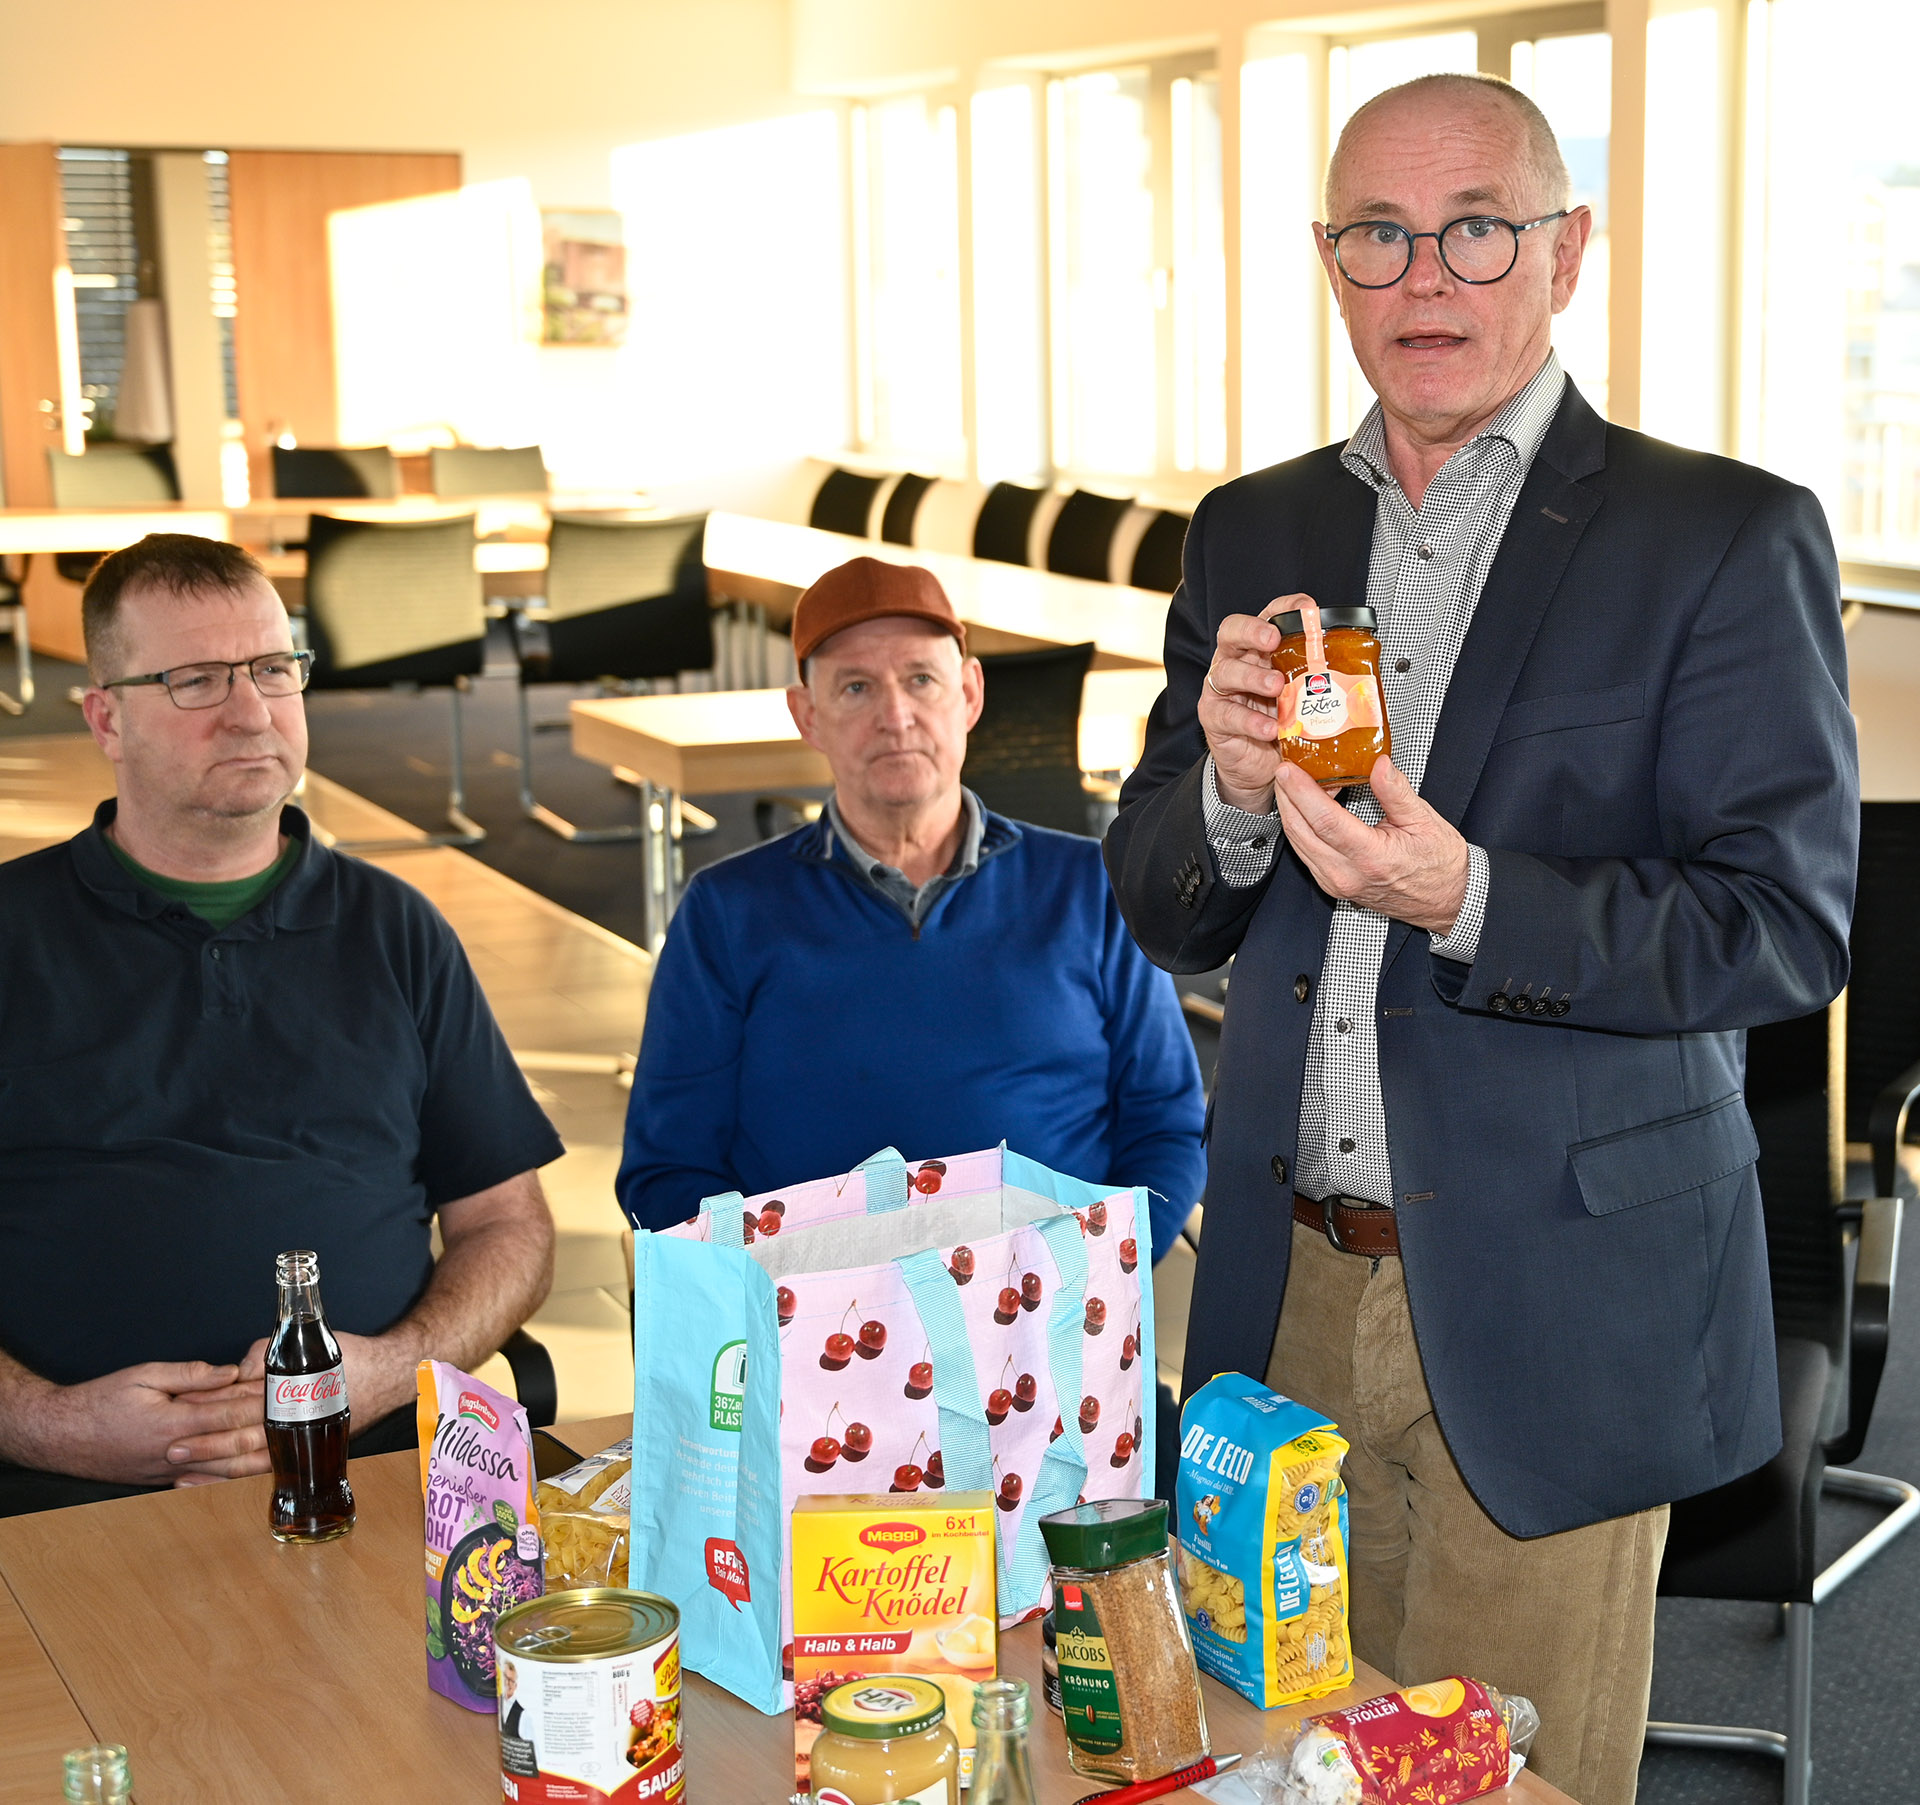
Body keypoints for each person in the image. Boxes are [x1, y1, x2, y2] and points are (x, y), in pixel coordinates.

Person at [1103, 73, 1856, 1805]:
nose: (1424, 277)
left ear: (1565, 252)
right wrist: (1220, 794)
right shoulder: (1253, 530)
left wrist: (1476, 898)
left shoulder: (1722, 538)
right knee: (1280, 1762)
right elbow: (1158, 898)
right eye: (1377, 234)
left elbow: (1785, 928)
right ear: (1329, 261)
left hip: (1558, 1290)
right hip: (1282, 1290)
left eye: (1476, 230)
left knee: (1499, 1781)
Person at [0, 534, 561, 1514]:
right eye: (195, 680)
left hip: (370, 1467)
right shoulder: (13, 932)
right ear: (106, 718)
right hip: (54, 1496)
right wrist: (47, 1421)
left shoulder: (396, 929)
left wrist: (393, 1370)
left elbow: (507, 1224)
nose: (251, 711)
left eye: (271, 668)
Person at [618, 555, 1205, 1272]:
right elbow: (665, 1171)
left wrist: (1092, 1272)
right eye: (856, 687)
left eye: (921, 680)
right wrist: (777, 1302)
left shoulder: (1090, 887)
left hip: (1053, 1328)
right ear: (807, 715)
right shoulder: (727, 912)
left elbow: (1168, 1128)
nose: (896, 716)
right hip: (819, 1341)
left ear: (969, 694)